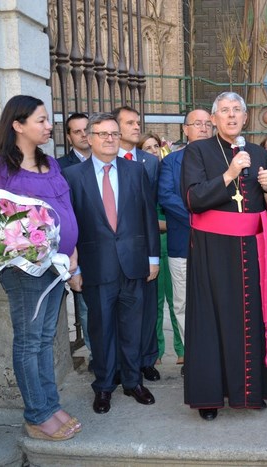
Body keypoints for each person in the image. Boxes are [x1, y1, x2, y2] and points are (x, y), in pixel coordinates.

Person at [0, 95, 80, 441]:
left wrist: (74, 250)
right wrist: (30, 250)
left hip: (58, 265)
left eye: (47, 120)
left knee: (46, 338)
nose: (48, 126)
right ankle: (37, 415)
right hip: (26, 269)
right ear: (18, 125)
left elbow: (66, 207)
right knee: (30, 341)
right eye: (41, 120)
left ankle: (50, 405)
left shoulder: (50, 164)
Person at [180, 91, 267, 421]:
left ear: (245, 116)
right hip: (212, 250)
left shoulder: (258, 153)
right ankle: (209, 397)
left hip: (250, 252)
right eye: (224, 110)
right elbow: (193, 199)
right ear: (213, 118)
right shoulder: (197, 151)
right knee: (210, 320)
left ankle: (249, 392)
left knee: (249, 319)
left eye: (237, 110)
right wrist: (229, 173)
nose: (231, 115)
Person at [63, 112, 160, 414]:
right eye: (102, 134)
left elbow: (148, 216)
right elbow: (70, 226)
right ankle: (104, 386)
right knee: (101, 330)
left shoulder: (135, 171)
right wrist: (73, 268)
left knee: (133, 328)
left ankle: (133, 382)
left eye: (114, 134)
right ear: (89, 138)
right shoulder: (73, 176)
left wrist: (153, 259)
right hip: (96, 266)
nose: (109, 139)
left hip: (133, 263)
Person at [158, 109, 214, 376]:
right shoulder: (171, 162)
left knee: (216, 301)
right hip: (183, 242)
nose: (203, 128)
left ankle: (217, 352)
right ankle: (194, 354)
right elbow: (166, 196)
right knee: (182, 303)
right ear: (185, 130)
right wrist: (200, 216)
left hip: (218, 244)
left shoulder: (224, 158)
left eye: (207, 124)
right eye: (197, 124)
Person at [113, 105, 160, 382]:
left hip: (143, 247)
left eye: (137, 122)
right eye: (130, 122)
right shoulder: (104, 160)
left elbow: (151, 207)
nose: (136, 127)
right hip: (113, 248)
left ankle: (146, 360)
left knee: (147, 308)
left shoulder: (150, 161)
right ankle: (119, 363)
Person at [140, 131, 184, 367]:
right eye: (147, 148)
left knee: (178, 300)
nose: (153, 152)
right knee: (155, 303)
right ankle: (155, 350)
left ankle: (182, 349)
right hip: (151, 246)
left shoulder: (171, 173)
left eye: (155, 147)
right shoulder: (141, 177)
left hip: (173, 244)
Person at [56, 112, 92, 363]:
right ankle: (95, 354)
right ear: (69, 137)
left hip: (107, 243)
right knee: (87, 306)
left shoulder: (108, 158)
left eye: (86, 129)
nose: (83, 135)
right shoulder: (60, 167)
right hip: (78, 245)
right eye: (77, 131)